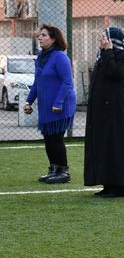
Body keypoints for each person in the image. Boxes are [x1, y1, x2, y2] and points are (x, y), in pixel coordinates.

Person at [84, 27, 124, 198]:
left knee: (116, 146)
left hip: (117, 110)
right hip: (103, 111)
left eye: (105, 39)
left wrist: (108, 51)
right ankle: (108, 184)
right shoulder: (104, 57)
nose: (102, 42)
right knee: (104, 145)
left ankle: (120, 187)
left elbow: (114, 73)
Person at [24, 24, 76, 184]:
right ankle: (54, 169)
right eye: (39, 35)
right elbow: (37, 82)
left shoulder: (60, 57)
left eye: (44, 35)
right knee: (48, 138)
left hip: (60, 104)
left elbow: (67, 82)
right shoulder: (41, 57)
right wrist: (29, 101)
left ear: (53, 39)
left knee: (55, 138)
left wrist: (58, 102)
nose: (39, 37)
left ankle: (63, 172)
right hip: (46, 105)